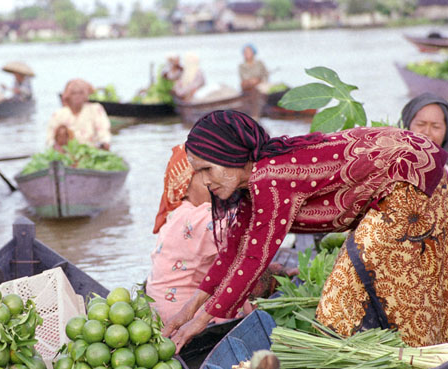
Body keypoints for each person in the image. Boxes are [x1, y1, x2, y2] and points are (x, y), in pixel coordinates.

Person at [163, 110, 448, 351]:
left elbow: (253, 260)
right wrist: (187, 311)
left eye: (207, 169)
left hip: (413, 180)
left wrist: (198, 324)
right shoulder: (252, 184)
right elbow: (232, 253)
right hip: (412, 178)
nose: (203, 181)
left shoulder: (269, 177)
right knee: (389, 291)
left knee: (342, 302)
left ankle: (420, 366)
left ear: (231, 156)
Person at [146, 144, 221, 318]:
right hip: (182, 316)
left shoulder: (177, 214)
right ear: (185, 184)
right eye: (206, 174)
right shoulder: (196, 218)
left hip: (161, 311)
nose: (215, 181)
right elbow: (243, 228)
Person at [46, 78, 111, 150]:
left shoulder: (95, 109)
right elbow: (50, 138)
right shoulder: (59, 114)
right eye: (73, 93)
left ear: (86, 95)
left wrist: (104, 143)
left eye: (81, 93)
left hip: (91, 150)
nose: (77, 96)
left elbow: (104, 133)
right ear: (68, 96)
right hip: (67, 151)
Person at [238, 44, 269, 120]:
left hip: (260, 85)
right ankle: (253, 115)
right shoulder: (241, 66)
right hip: (248, 86)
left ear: (253, 53)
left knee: (258, 91)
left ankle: (255, 114)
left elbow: (265, 75)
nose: (247, 54)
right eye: (245, 52)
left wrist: (259, 80)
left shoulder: (259, 63)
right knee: (251, 91)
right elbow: (243, 78)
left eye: (249, 52)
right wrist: (251, 81)